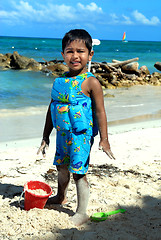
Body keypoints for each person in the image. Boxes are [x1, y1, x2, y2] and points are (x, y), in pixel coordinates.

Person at [37, 29, 115, 226]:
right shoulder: (59, 82)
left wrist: (104, 139)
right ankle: (60, 196)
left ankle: (81, 211)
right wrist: (45, 136)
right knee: (61, 167)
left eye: (80, 51)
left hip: (81, 136)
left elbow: (100, 112)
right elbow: (51, 110)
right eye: (69, 51)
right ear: (63, 54)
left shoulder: (91, 82)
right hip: (62, 135)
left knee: (79, 172)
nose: (75, 56)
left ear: (90, 54)